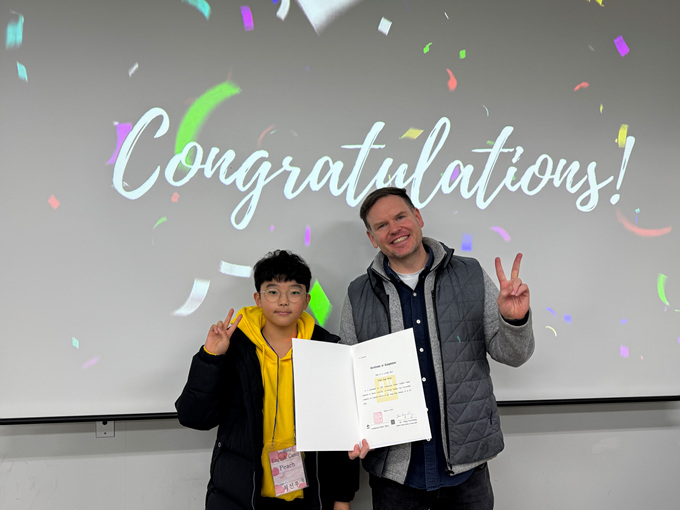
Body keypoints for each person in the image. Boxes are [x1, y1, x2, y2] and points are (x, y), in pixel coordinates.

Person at [340, 187, 535, 510]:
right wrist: (351, 430)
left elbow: (513, 355)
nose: (394, 229)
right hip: (396, 477)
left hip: (466, 470)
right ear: (372, 238)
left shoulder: (470, 274)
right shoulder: (359, 293)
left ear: (418, 217)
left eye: (400, 217)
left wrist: (514, 320)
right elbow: (349, 380)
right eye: (382, 225)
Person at [176, 250, 359, 510]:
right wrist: (211, 357)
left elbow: (340, 431)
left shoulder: (326, 349)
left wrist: (342, 499)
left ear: (306, 300)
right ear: (258, 299)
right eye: (273, 292)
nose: (283, 301)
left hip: (309, 497)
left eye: (294, 292)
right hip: (241, 496)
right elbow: (194, 417)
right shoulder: (234, 347)